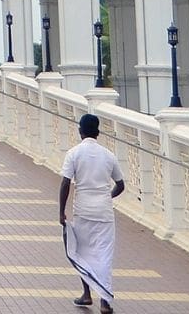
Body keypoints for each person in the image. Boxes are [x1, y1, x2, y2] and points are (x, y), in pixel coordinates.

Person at [61, 113, 125, 313]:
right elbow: (120, 185)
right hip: (104, 212)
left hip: (83, 210)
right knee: (104, 255)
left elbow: (65, 184)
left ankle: (87, 294)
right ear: (98, 132)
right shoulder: (109, 155)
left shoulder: (74, 153)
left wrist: (60, 212)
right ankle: (105, 302)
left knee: (82, 252)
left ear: (80, 131)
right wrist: (107, 197)